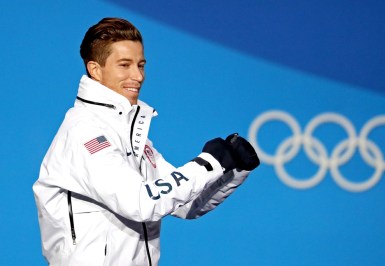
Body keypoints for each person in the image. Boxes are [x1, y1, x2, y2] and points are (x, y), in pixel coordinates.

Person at [33, 17, 259, 266]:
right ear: (95, 70)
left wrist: (231, 169)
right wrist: (208, 163)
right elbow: (141, 203)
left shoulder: (132, 135)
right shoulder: (85, 132)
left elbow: (187, 204)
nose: (138, 76)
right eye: (124, 65)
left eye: (141, 65)